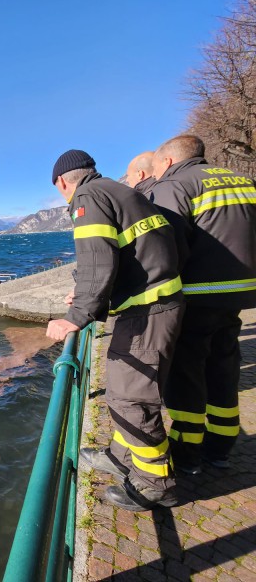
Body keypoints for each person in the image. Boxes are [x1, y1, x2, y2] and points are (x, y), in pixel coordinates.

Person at [46, 149, 184, 511]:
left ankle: (156, 482)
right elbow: (130, 253)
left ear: (62, 181)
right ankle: (123, 456)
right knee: (125, 391)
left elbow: (97, 256)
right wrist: (88, 289)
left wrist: (77, 315)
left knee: (130, 397)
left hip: (147, 311)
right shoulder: (122, 192)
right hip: (158, 302)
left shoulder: (87, 197)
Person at [150, 134, 256, 472]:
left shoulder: (177, 186)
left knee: (186, 374)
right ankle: (221, 448)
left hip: (195, 296)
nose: (155, 175)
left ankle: (186, 451)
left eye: (156, 168)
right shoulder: (244, 181)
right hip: (240, 295)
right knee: (223, 368)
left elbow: (163, 247)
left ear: (167, 161)